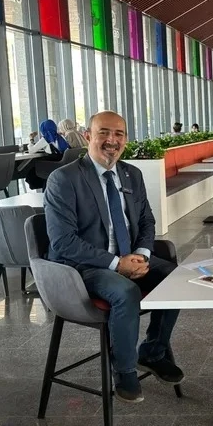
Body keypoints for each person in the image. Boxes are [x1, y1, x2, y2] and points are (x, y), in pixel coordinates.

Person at [44, 111, 184, 403]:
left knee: (176, 278)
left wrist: (141, 255)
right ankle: (124, 369)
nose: (112, 140)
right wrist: (117, 264)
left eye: (119, 134)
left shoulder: (132, 174)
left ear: (126, 139)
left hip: (127, 255)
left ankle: (152, 352)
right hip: (83, 267)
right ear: (88, 137)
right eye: (104, 132)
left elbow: (146, 221)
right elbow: (63, 241)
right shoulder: (64, 179)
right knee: (126, 291)